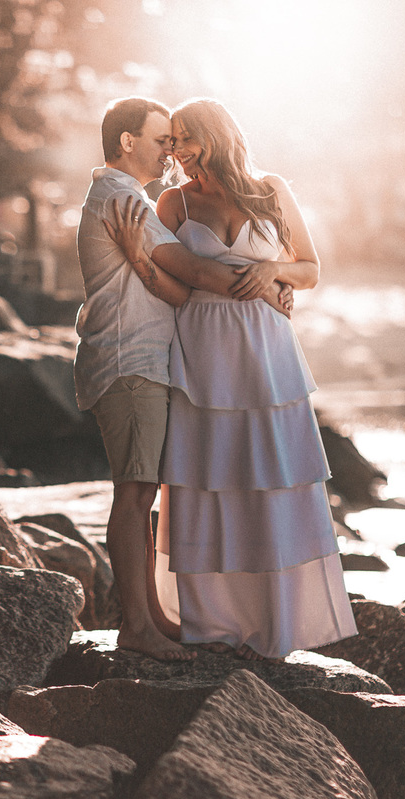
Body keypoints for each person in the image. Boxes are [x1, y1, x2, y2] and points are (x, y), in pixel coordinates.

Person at [108, 97, 357, 661]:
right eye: (171, 141)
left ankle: (276, 621)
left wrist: (274, 271)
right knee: (207, 481)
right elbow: (168, 277)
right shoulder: (171, 202)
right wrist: (144, 262)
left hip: (269, 356)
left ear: (217, 135)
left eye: (186, 138)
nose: (177, 151)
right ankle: (211, 619)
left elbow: (311, 270)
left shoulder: (271, 190)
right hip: (201, 353)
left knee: (270, 477)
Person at [74, 97, 293, 662]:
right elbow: (192, 270)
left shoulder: (129, 199)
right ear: (127, 141)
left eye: (174, 140)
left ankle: (152, 618)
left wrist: (276, 277)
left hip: (144, 359)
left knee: (143, 489)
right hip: (128, 361)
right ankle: (138, 627)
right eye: (159, 139)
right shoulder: (122, 198)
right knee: (134, 493)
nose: (169, 150)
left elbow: (174, 289)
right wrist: (267, 287)